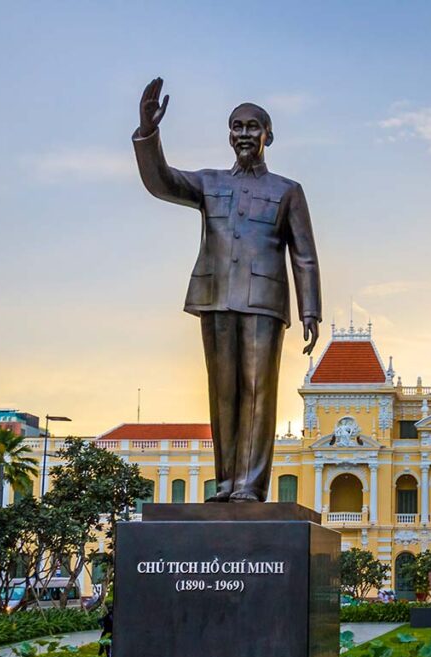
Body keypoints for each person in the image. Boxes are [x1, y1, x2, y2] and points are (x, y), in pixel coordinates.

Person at [133, 78, 321, 502]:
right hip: (215, 296)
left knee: (258, 392)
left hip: (264, 302)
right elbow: (161, 181)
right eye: (236, 127)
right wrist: (148, 133)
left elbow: (304, 255)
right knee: (223, 393)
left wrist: (311, 309)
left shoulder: (287, 191)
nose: (244, 134)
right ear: (229, 134)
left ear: (268, 135)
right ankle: (225, 484)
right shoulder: (208, 182)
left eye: (253, 127)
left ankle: (249, 487)